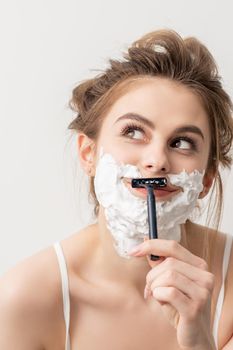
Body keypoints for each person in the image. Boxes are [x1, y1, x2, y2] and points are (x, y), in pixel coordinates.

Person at [0, 29, 233, 350]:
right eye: (134, 131)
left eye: (182, 142)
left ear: (206, 179)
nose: (156, 161)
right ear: (88, 154)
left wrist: (200, 343)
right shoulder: (23, 299)